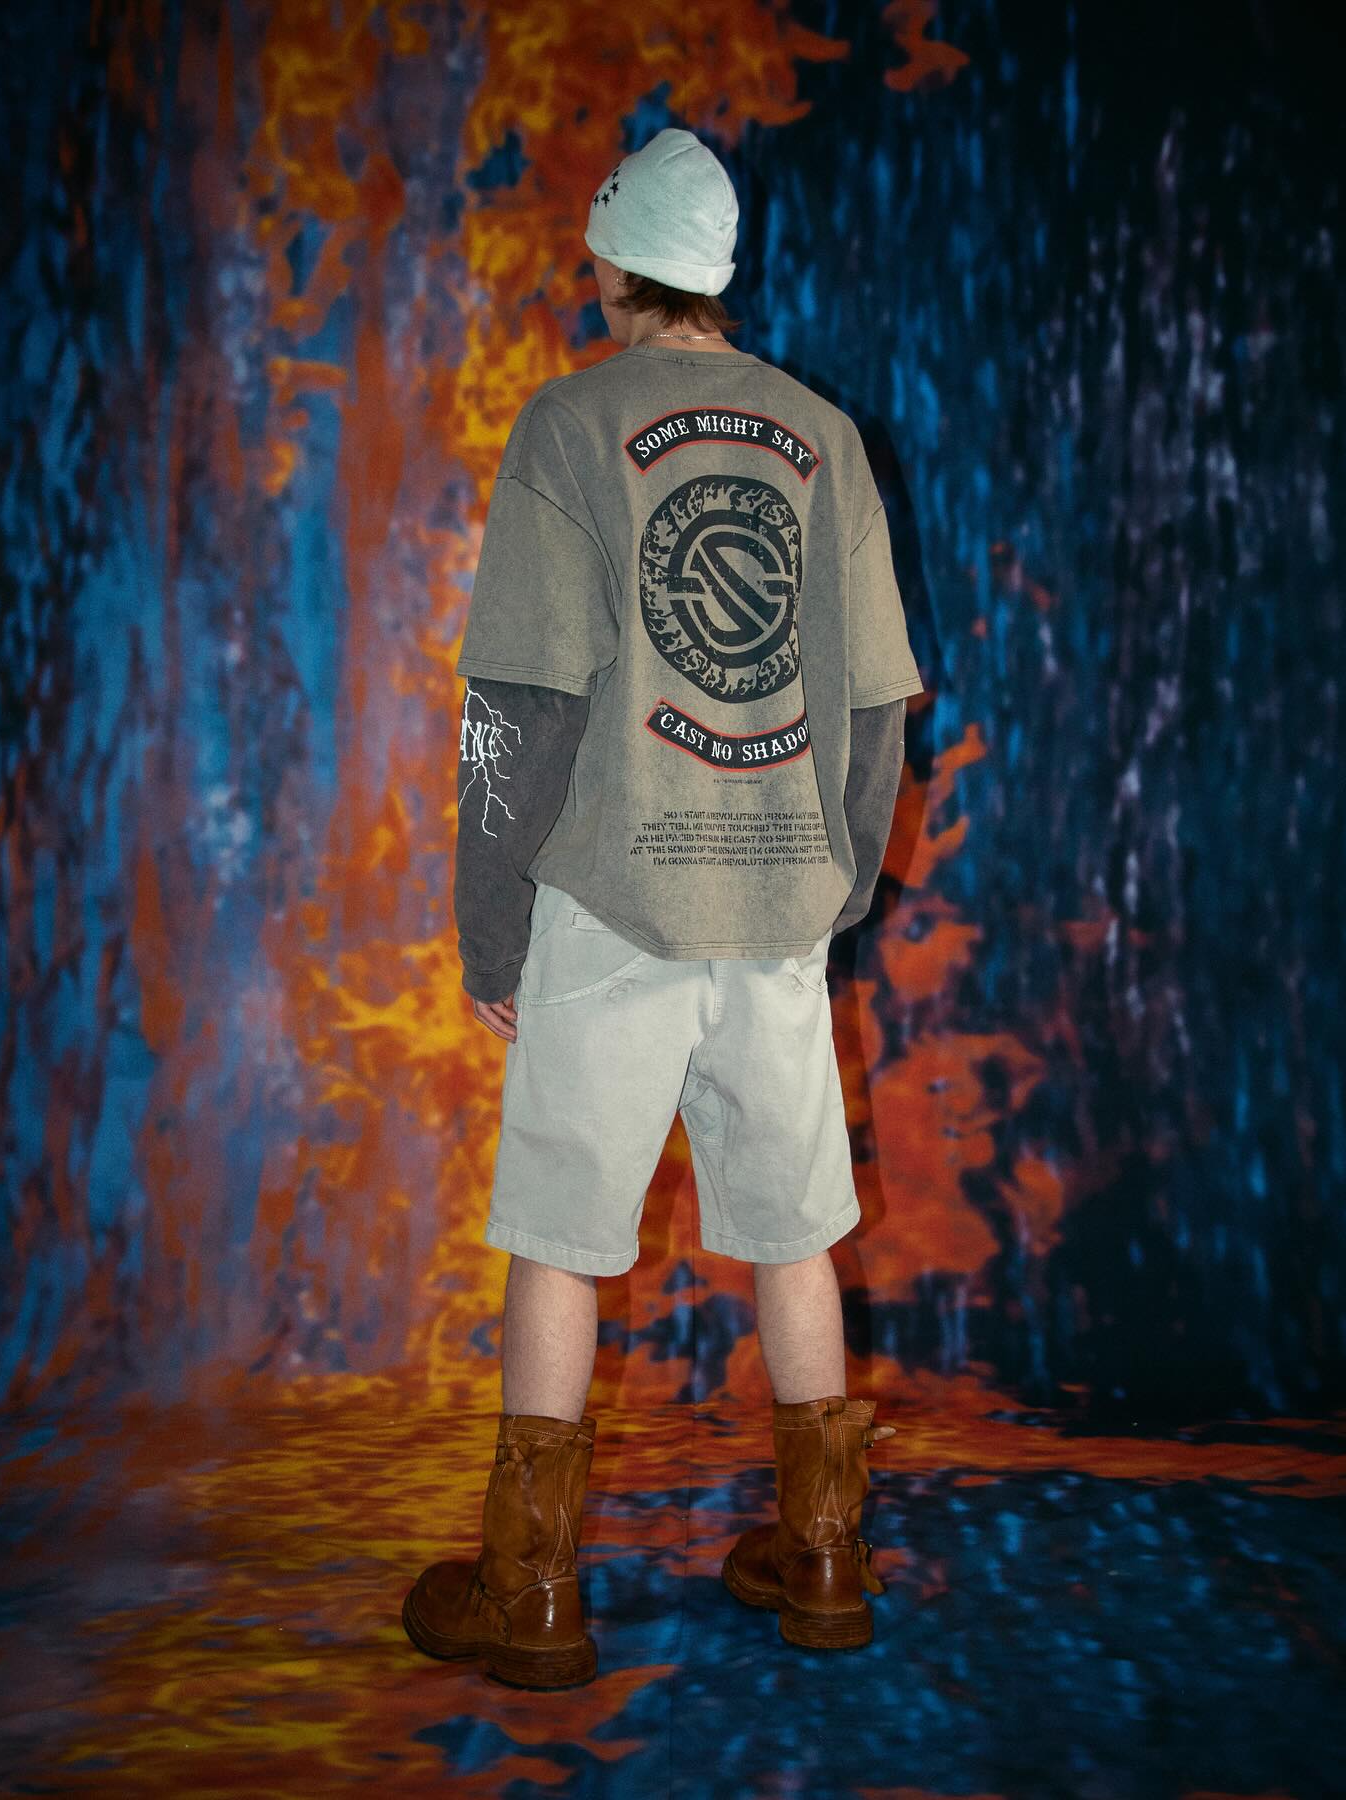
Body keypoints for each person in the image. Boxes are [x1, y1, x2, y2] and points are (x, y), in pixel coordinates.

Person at [402, 127, 922, 1690]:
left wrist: (490, 921)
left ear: (613, 265)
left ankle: (532, 1592)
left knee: (562, 1239)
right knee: (795, 1232)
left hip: (610, 907)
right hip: (774, 911)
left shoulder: (569, 426)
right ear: (722, 272)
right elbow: (880, 710)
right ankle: (825, 1559)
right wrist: (833, 886)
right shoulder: (825, 435)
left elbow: (517, 709)